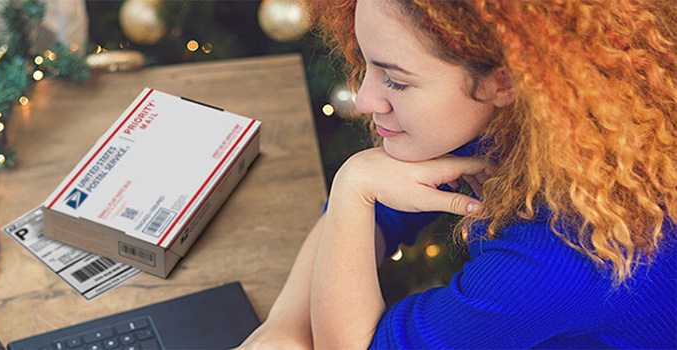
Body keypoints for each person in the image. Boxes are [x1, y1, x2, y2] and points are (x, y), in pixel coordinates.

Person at [237, 0, 677, 348]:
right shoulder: (526, 119)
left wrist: (353, 185)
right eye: (367, 63)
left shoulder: (565, 254)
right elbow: (379, 215)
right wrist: (284, 326)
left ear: (503, 80)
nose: (364, 99)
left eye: (396, 81)